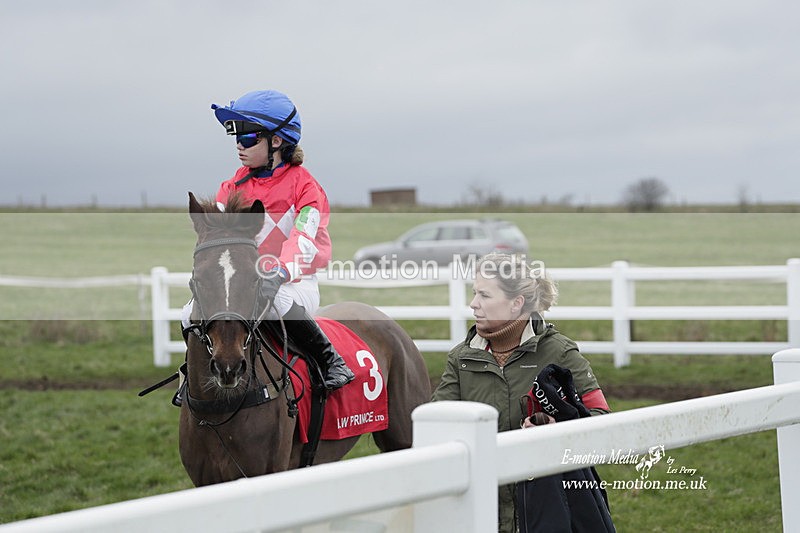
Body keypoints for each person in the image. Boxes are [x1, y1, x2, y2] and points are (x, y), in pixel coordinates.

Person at [184, 89, 354, 391]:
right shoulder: (233, 185)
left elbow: (303, 239)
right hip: (246, 279)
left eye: (248, 138)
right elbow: (220, 240)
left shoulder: (306, 187)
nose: (239, 145)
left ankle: (330, 360)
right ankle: (192, 377)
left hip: (294, 281)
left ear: (276, 141)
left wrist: (279, 272)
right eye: (235, 136)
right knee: (188, 313)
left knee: (273, 297)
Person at [431, 252, 610, 532]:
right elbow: (436, 428)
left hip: (548, 513)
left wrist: (555, 428)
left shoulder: (560, 352)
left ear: (516, 304)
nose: (473, 304)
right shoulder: (460, 359)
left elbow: (602, 419)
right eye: (474, 293)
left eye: (485, 296)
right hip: (477, 515)